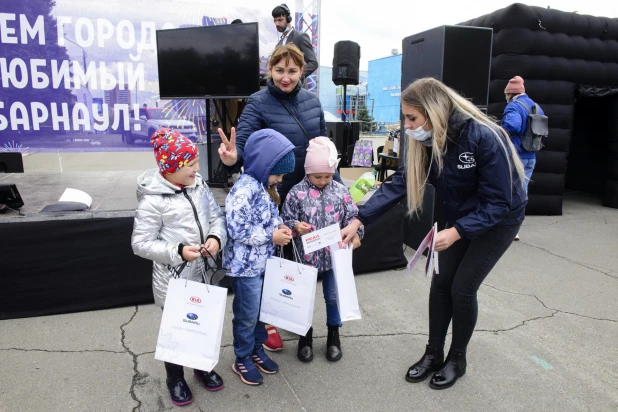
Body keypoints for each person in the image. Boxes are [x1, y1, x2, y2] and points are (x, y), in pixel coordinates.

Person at [341, 78, 528, 390]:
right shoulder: (428, 142)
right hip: (459, 214)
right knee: (441, 283)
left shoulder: (483, 136)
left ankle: (457, 358)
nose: (408, 125)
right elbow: (401, 182)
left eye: (412, 118)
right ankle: (433, 353)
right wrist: (359, 219)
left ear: (433, 112)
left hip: (500, 217)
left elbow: (498, 203)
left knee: (463, 288)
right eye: (405, 118)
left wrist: (457, 232)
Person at [218, 43, 335, 352]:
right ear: (269, 70)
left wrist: (331, 188)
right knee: (270, 259)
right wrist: (231, 158)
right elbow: (242, 146)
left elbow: (323, 146)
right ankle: (267, 321)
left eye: (292, 71)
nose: (286, 77)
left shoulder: (312, 103)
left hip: (307, 196)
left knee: (304, 261)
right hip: (270, 196)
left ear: (303, 71)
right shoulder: (257, 102)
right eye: (280, 70)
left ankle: (294, 315)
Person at [131, 128, 227, 406]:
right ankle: (175, 377)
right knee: (177, 329)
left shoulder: (200, 186)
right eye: (191, 164)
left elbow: (216, 218)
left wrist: (215, 238)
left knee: (203, 323)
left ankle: (201, 367)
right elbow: (140, 243)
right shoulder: (152, 201)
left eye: (197, 162)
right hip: (173, 280)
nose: (198, 169)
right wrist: (178, 252)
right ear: (171, 168)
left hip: (204, 274)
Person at [281, 136, 363, 363]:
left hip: (334, 257)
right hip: (305, 259)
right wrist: (295, 226)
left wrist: (356, 234)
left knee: (333, 296)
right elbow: (285, 219)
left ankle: (334, 335)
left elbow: (354, 217)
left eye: (327, 175)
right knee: (304, 298)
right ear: (307, 171)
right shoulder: (296, 193)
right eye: (317, 176)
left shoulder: (340, 191)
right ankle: (304, 335)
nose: (322, 180)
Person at [223, 128, 295, 386]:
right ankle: (242, 357)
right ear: (265, 165)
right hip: (245, 268)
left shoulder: (263, 186)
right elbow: (238, 229)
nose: (279, 179)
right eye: (278, 173)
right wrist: (271, 236)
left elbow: (268, 217)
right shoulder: (244, 190)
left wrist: (281, 226)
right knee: (247, 314)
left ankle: (256, 349)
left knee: (261, 312)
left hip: (263, 264)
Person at [501, 75, 544, 241]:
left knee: (508, 190)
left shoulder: (514, 107)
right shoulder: (536, 107)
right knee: (522, 191)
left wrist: (499, 133)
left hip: (516, 155)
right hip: (531, 155)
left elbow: (511, 126)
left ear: (510, 93)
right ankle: (516, 227)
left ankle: (507, 227)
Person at [272, 3, 318, 85]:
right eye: (275, 20)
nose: (277, 24)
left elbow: (313, 63)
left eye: (280, 20)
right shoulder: (278, 45)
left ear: (288, 19)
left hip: (298, 90)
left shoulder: (301, 37)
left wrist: (295, 76)